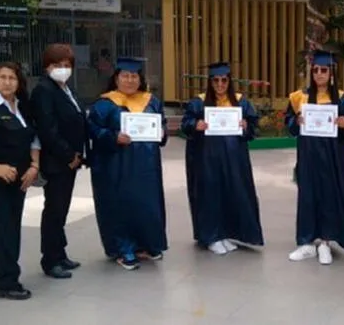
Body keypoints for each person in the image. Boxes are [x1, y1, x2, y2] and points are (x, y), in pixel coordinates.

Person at [87, 58, 168, 270]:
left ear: (140, 79)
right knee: (120, 204)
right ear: (116, 78)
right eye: (125, 76)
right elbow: (92, 130)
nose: (130, 80)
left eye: (134, 76)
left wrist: (162, 133)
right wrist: (112, 137)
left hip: (147, 166)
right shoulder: (105, 104)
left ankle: (146, 244)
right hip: (116, 166)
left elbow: (162, 125)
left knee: (146, 203)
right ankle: (123, 248)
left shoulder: (152, 102)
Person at [181, 62, 264, 255]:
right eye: (215, 80)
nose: (220, 84)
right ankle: (211, 236)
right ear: (210, 82)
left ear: (229, 81)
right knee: (210, 194)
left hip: (234, 159)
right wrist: (195, 124)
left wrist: (246, 126)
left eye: (223, 80)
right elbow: (186, 125)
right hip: (206, 159)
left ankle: (225, 233)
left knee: (231, 193)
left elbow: (253, 129)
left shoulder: (241, 102)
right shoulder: (198, 102)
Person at [285, 50, 344, 265]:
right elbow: (289, 125)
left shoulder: (343, 100)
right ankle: (306, 242)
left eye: (323, 70)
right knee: (307, 196)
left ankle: (325, 242)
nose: (319, 74)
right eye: (315, 70)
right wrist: (295, 122)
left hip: (333, 157)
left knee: (329, 196)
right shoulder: (299, 98)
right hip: (308, 156)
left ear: (331, 73)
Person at [0, 62, 40, 300]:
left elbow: (34, 140)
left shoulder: (23, 108)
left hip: (20, 181)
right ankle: (8, 282)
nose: (7, 82)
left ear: (19, 82)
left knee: (12, 228)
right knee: (2, 230)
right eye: (2, 77)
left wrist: (34, 166)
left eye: (12, 78)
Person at [31, 43, 89, 279]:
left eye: (67, 65)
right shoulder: (44, 90)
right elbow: (48, 129)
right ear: (47, 67)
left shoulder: (67, 89)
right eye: (57, 65)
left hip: (71, 160)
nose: (63, 69)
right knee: (54, 210)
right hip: (57, 161)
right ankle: (50, 259)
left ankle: (60, 253)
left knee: (61, 209)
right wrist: (69, 155)